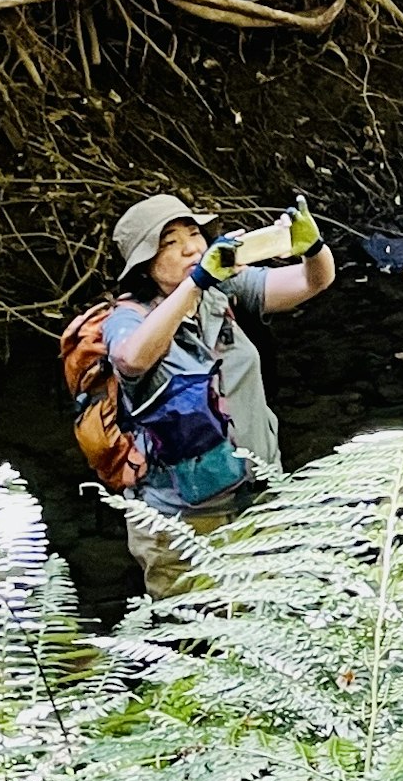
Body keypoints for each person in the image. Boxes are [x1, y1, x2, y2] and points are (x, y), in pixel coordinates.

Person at [101, 191, 333, 593]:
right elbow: (131, 359)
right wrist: (195, 283)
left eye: (194, 233)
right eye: (170, 242)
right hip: (181, 523)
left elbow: (314, 281)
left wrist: (312, 247)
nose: (191, 246)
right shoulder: (126, 318)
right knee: (194, 642)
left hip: (259, 499)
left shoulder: (222, 290)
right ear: (145, 265)